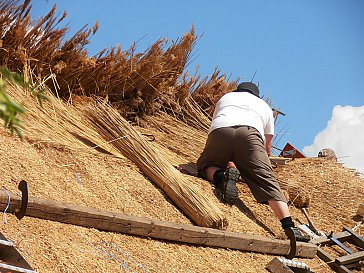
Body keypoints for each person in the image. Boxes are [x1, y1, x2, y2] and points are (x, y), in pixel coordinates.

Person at [196, 82, 309, 251]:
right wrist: (253, 164)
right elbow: (268, 147)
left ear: (238, 90)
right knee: (267, 180)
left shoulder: (226, 97)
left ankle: (220, 176)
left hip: (220, 132)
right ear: (257, 95)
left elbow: (216, 124)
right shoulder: (264, 106)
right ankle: (289, 226)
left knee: (205, 165)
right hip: (250, 135)